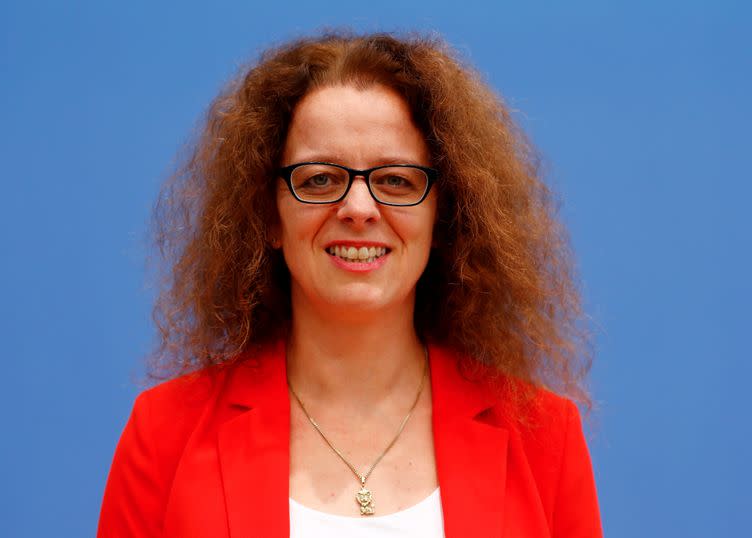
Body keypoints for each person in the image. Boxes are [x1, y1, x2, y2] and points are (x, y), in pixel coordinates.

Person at [97, 31, 602, 537]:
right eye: (319, 179)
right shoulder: (164, 433)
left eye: (396, 181)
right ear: (267, 215)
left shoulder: (544, 437)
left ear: (443, 216)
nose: (358, 209)